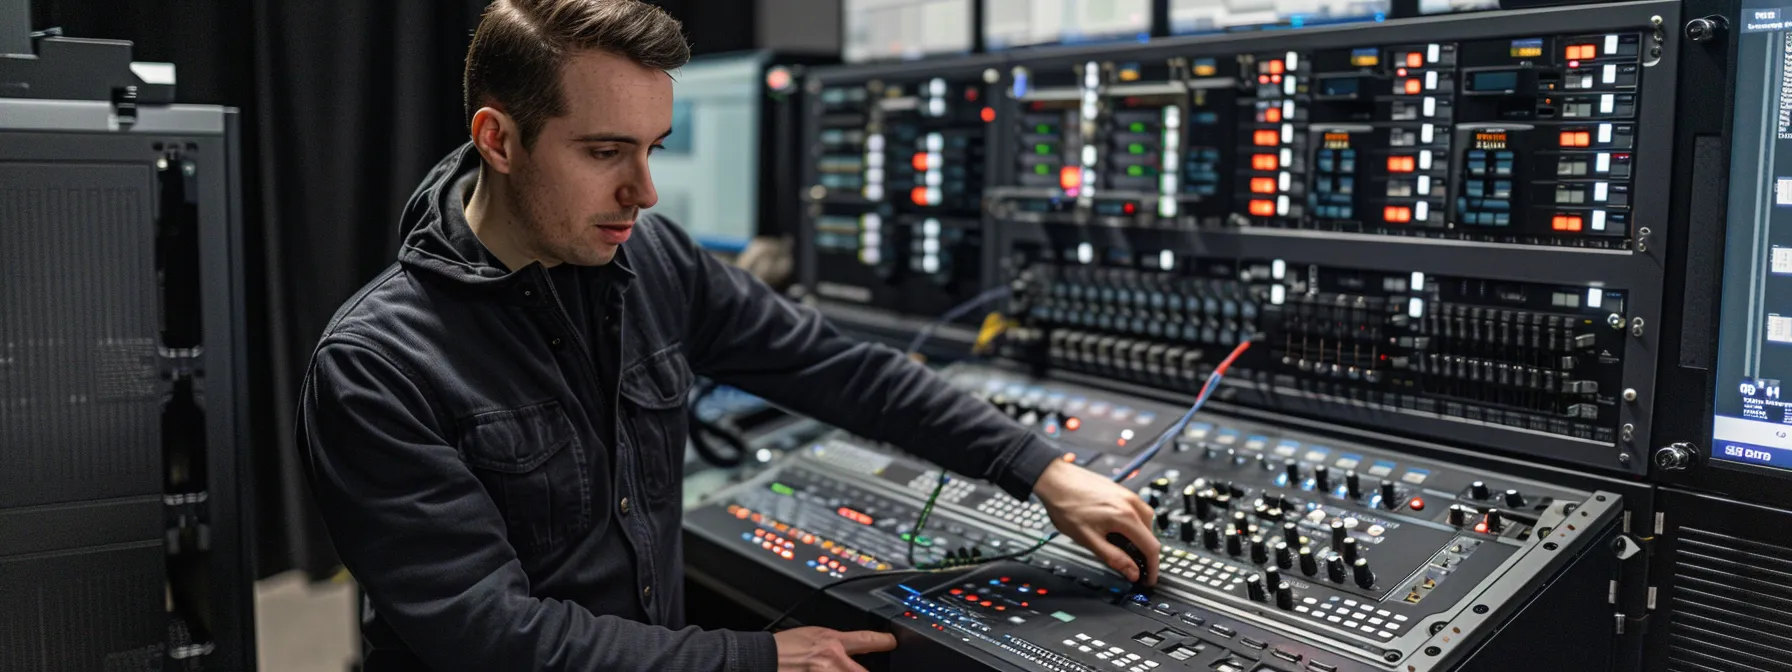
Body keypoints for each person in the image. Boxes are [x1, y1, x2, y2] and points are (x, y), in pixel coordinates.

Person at [297, 1, 1160, 670]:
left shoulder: (652, 259)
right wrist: (747, 658)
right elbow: (489, 638)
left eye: (654, 149)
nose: (646, 191)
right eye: (605, 153)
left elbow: (832, 367)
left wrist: (1037, 467)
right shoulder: (378, 366)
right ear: (499, 139)